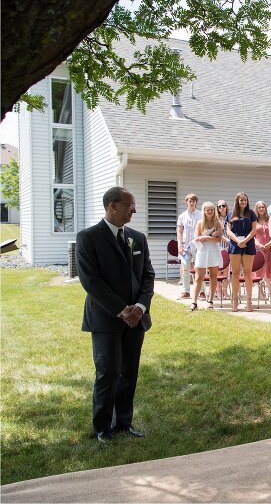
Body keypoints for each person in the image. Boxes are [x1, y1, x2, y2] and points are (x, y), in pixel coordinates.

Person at [76, 187, 154, 443]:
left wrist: (140, 307)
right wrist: (123, 310)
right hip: (106, 318)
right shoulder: (88, 238)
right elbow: (91, 281)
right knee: (107, 373)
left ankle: (124, 422)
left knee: (129, 372)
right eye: (130, 205)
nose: (134, 210)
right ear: (112, 205)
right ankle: (102, 427)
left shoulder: (137, 238)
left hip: (136, 319)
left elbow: (148, 276)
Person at [227, 192, 258, 312]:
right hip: (235, 245)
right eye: (241, 200)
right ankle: (235, 301)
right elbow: (228, 231)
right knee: (235, 273)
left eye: (245, 200)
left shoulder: (251, 213)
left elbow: (254, 230)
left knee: (248, 273)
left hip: (248, 244)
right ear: (237, 201)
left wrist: (244, 241)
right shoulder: (231, 213)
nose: (243, 202)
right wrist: (238, 241)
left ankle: (249, 301)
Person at [189, 202, 223, 311]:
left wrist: (207, 238)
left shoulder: (217, 223)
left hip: (214, 251)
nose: (210, 212)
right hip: (202, 251)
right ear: (204, 211)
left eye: (211, 210)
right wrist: (208, 237)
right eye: (207, 210)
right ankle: (194, 302)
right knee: (199, 277)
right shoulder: (200, 223)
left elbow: (219, 239)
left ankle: (210, 301)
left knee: (213, 277)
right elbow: (197, 238)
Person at [176, 194, 201, 299]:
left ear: (196, 202)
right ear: (186, 202)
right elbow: (179, 232)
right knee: (185, 269)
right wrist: (179, 245)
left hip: (198, 246)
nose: (191, 203)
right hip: (185, 247)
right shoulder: (182, 216)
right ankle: (186, 291)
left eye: (193, 201)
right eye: (190, 201)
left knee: (199, 268)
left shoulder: (201, 214)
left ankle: (202, 291)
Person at [253, 201, 271, 300]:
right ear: (256, 209)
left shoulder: (270, 220)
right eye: (259, 207)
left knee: (269, 269)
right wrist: (258, 244)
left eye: (263, 207)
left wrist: (270, 243)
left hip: (269, 247)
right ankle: (260, 292)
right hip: (258, 248)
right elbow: (252, 235)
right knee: (259, 271)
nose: (261, 209)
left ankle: (269, 291)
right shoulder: (254, 221)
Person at [215, 200, 230, 299]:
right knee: (218, 270)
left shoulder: (230, 217)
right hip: (218, 246)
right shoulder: (216, 219)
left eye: (223, 206)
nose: (221, 208)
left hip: (228, 247)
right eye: (219, 206)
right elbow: (217, 233)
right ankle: (218, 291)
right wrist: (227, 240)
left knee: (226, 271)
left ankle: (225, 291)